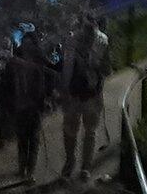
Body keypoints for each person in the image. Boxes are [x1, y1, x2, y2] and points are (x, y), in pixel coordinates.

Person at [0, 22, 59, 184]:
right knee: (28, 139)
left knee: (28, 139)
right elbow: (51, 75)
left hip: (28, 106)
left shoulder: (20, 58)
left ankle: (26, 170)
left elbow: (49, 77)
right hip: (27, 106)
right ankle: (26, 170)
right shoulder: (35, 57)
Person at [57, 12, 110, 180]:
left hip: (92, 92)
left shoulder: (102, 41)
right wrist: (64, 90)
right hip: (74, 91)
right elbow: (66, 67)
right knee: (70, 129)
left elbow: (107, 68)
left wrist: (97, 67)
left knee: (89, 131)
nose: (88, 29)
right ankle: (71, 161)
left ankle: (85, 166)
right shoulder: (72, 40)